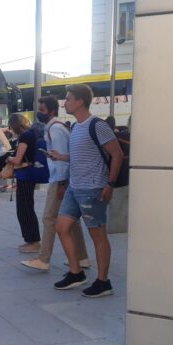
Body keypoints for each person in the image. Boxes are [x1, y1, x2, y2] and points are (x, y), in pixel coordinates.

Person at [49, 84, 123, 297]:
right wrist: (61, 157)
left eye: (69, 98)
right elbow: (82, 155)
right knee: (61, 227)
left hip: (93, 188)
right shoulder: (76, 127)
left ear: (80, 101)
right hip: (75, 186)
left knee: (98, 236)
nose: (66, 102)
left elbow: (116, 155)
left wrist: (109, 184)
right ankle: (76, 273)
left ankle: (103, 281)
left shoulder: (97, 125)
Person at [21, 95, 89, 271]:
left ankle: (43, 259)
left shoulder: (55, 130)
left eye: (42, 110)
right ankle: (82, 258)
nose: (39, 113)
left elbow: (62, 159)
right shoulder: (56, 127)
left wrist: (61, 184)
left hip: (60, 180)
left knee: (49, 218)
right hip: (64, 180)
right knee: (72, 220)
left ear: (51, 111)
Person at [6, 114, 42, 253]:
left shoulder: (25, 137)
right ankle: (31, 240)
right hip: (28, 175)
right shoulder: (30, 134)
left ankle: (33, 242)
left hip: (26, 176)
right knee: (26, 208)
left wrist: (9, 157)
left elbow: (18, 159)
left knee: (25, 209)